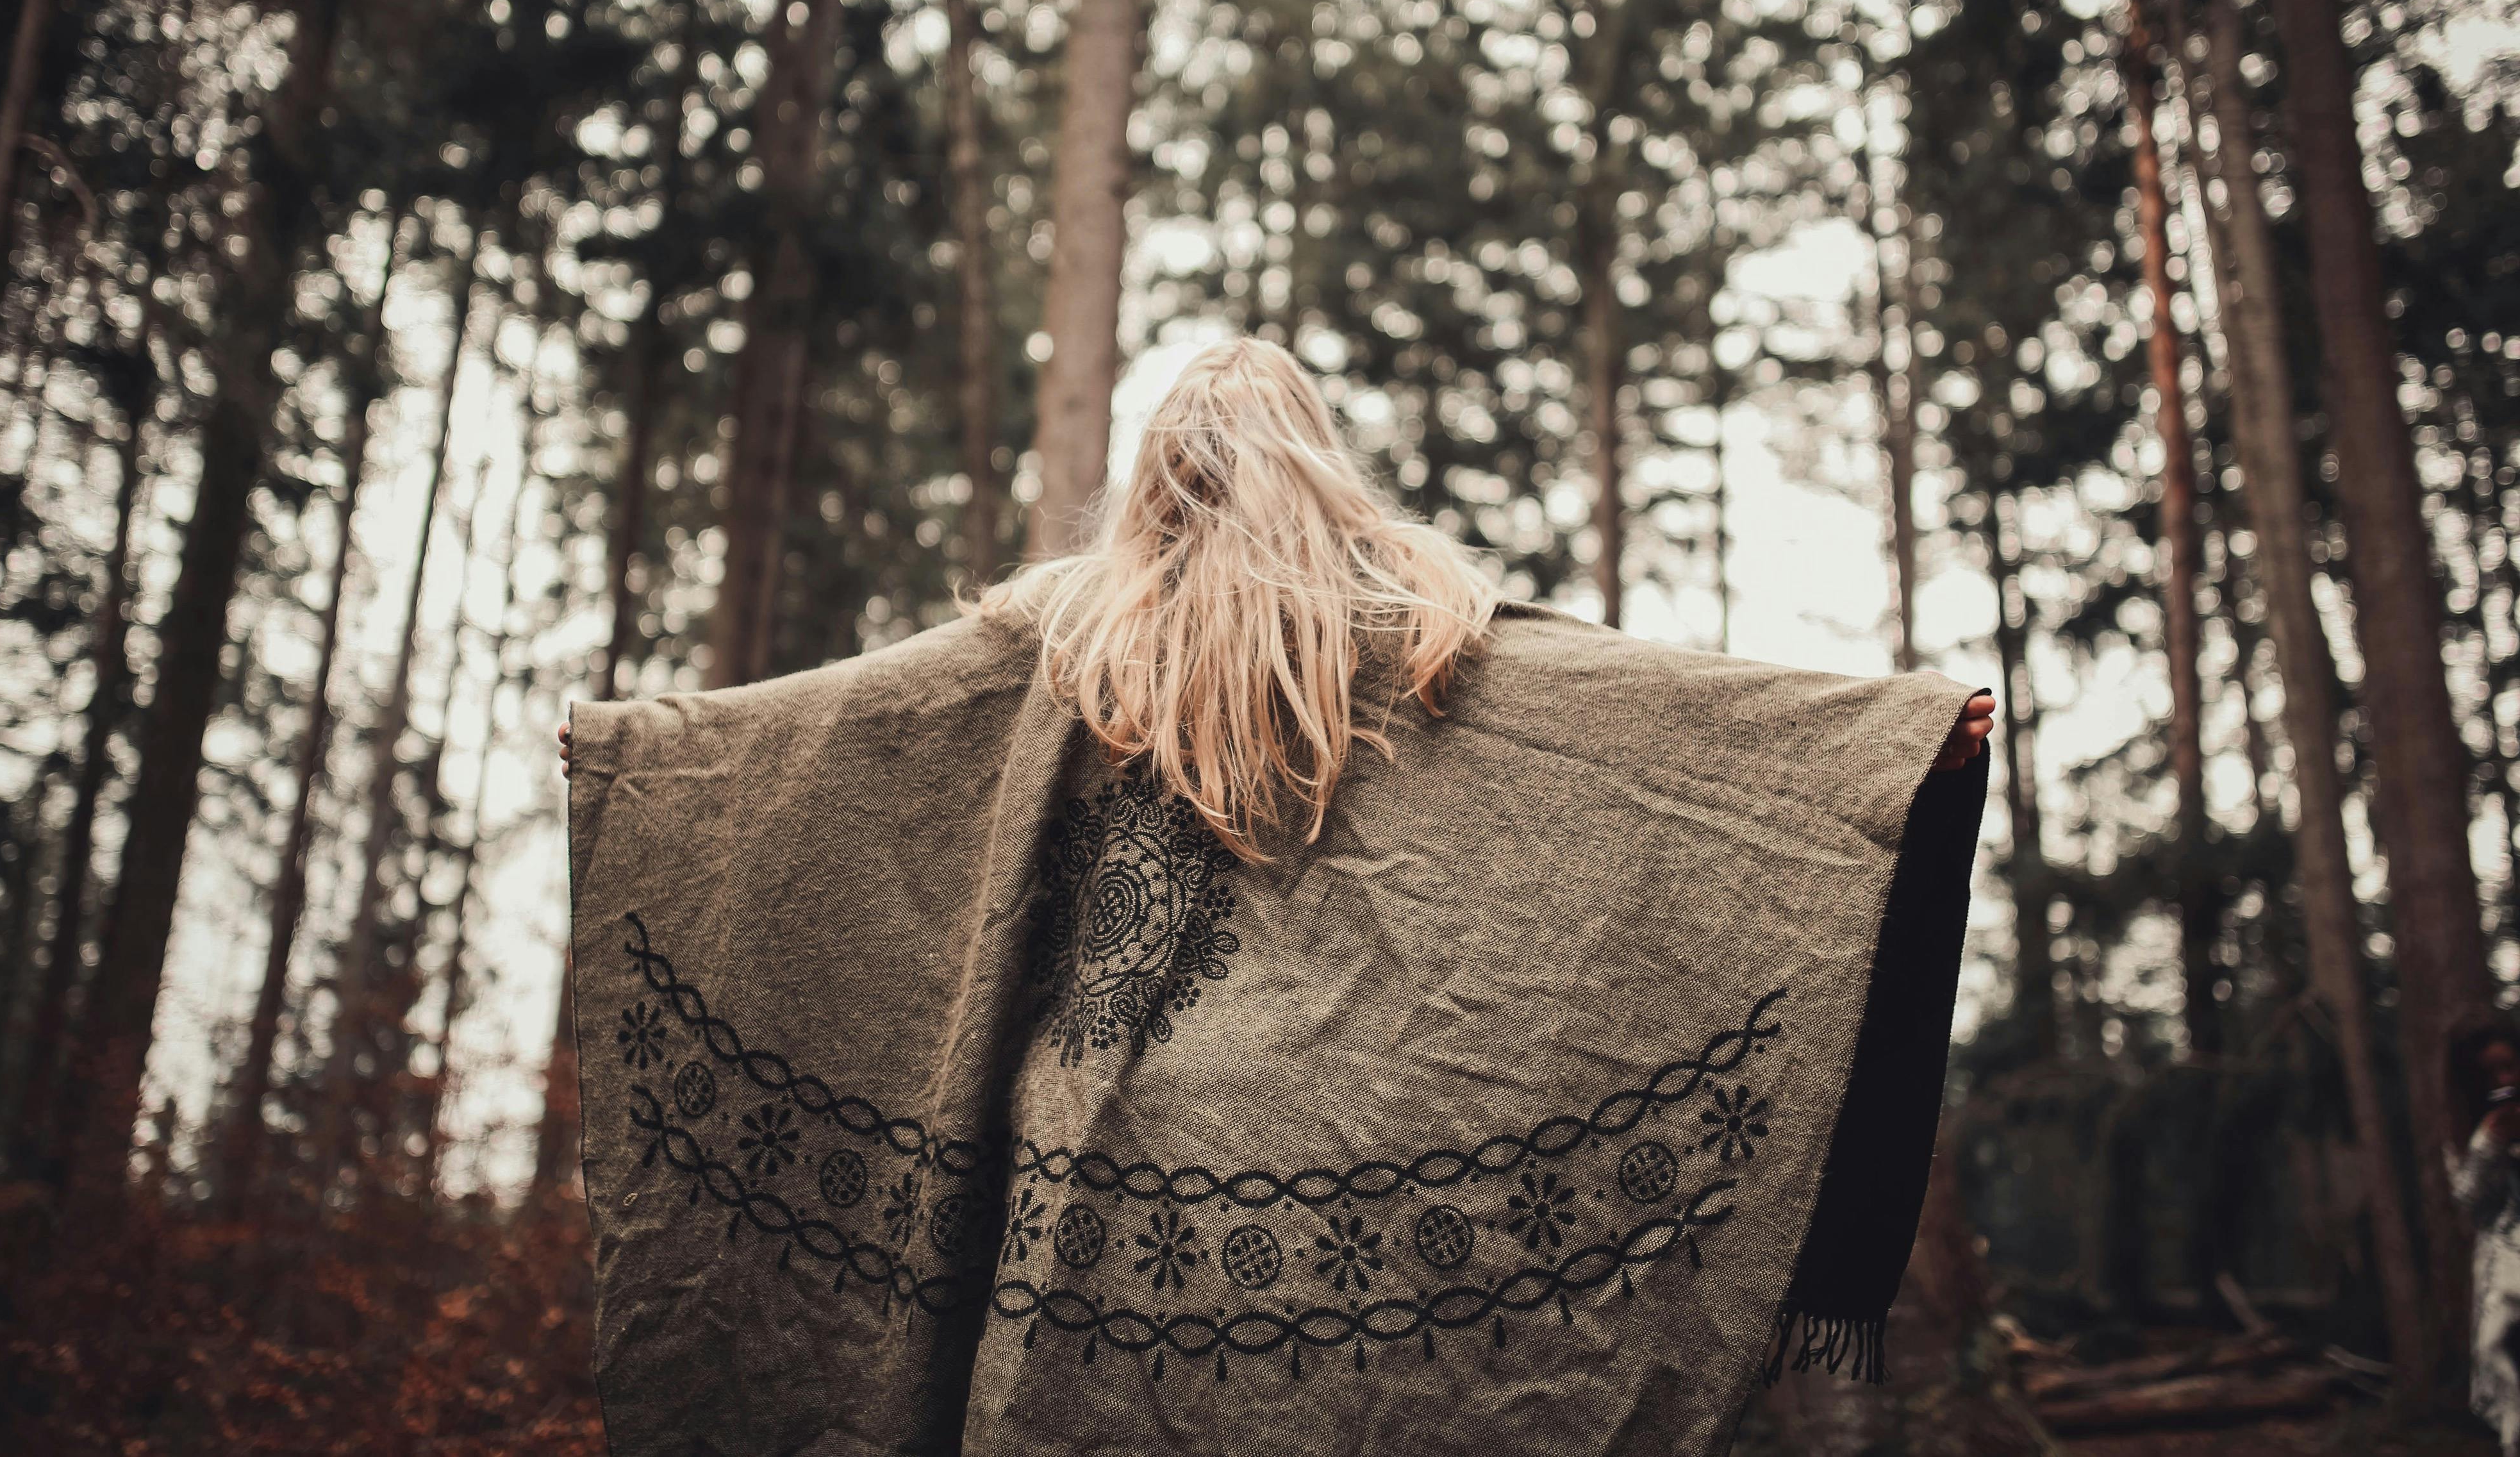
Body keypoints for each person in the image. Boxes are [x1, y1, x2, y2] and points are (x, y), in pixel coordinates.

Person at [556, 337, 1995, 1457]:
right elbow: (1652, 720)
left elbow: (832, 727)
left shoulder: (1054, 638)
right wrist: (1889, 749)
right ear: (1319, 467)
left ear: (1152, 478)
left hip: (1065, 1169)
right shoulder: (1437, 638)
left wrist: (637, 753)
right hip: (1324, 1145)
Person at [2451, 1013, 2520, 1456]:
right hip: (2507, 1272)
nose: (2505, 1078)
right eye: (2491, 1072)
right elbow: (2468, 1201)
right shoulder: (2469, 1129)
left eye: (2510, 1065)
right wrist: (2491, 1145)